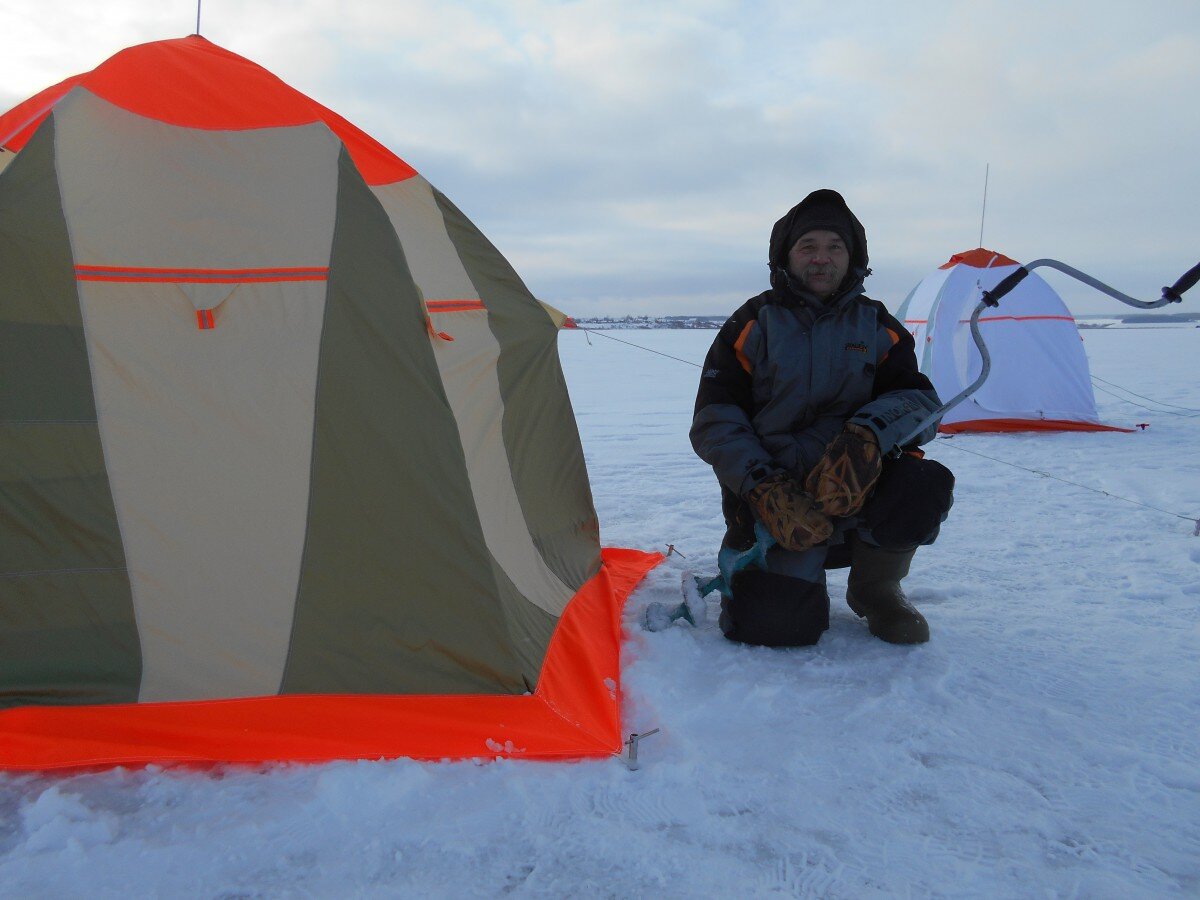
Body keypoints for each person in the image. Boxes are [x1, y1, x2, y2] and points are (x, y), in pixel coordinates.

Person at [690, 189, 953, 646]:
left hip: (855, 489)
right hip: (777, 501)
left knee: (922, 483)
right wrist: (763, 486)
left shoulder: (877, 325)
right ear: (785, 256)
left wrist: (866, 437)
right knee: (777, 628)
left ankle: (875, 588)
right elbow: (715, 421)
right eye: (808, 246)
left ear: (852, 258)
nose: (821, 259)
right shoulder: (753, 322)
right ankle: (765, 570)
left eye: (834, 247)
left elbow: (920, 405)